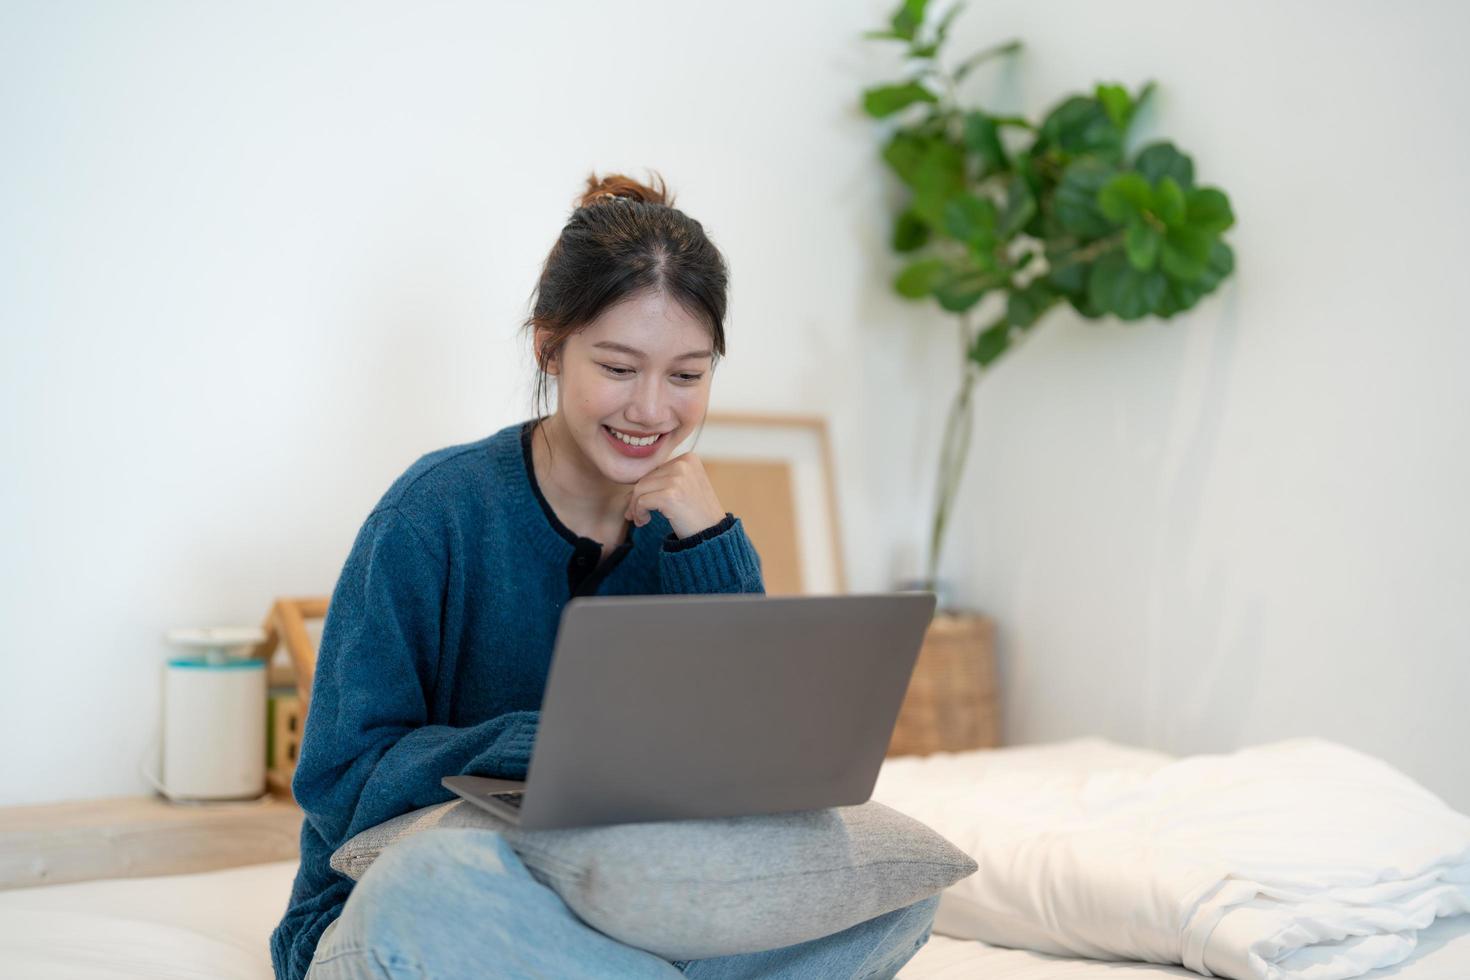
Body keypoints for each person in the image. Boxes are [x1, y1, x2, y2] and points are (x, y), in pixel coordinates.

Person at [268, 171, 939, 980]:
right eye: (620, 369)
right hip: (445, 899)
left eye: (686, 376)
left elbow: (758, 759)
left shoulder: (694, 528)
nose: (652, 410)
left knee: (900, 876)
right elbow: (340, 781)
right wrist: (546, 750)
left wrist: (711, 542)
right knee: (427, 891)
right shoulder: (432, 513)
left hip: (629, 907)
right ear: (551, 346)